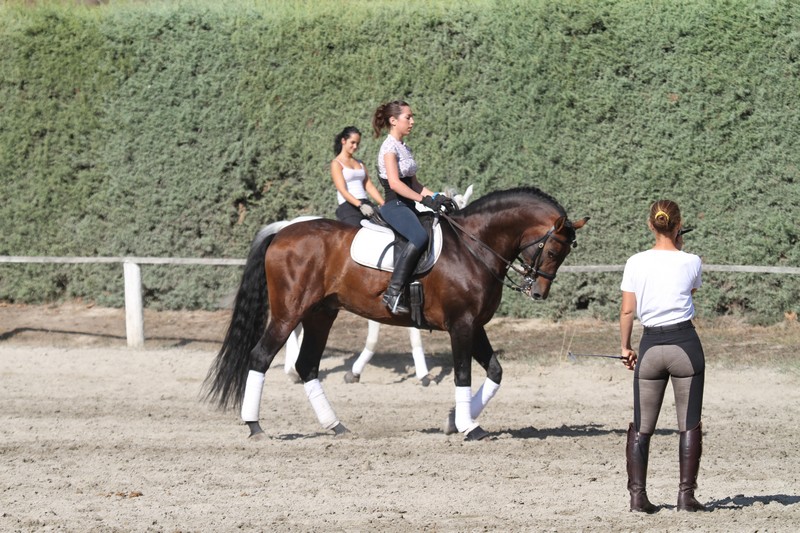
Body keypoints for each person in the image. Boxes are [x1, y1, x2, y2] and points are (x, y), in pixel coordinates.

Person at [619, 199, 707, 513]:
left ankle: (637, 497)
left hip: (651, 346)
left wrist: (626, 347)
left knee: (643, 426)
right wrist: (680, 247)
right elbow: (687, 291)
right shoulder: (692, 260)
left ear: (650, 224)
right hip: (685, 345)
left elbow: (628, 309)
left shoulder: (635, 262)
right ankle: (686, 496)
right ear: (678, 224)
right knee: (688, 424)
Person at [371, 100, 457, 314]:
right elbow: (395, 183)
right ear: (393, 121)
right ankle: (392, 293)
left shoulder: (404, 147)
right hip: (395, 205)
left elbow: (416, 184)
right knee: (419, 237)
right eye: (408, 117)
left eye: (411, 117)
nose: (412, 121)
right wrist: (423, 200)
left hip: (408, 204)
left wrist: (437, 197)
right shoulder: (389, 148)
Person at [331, 126, 384, 226]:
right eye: (352, 142)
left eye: (357, 143)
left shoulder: (360, 163)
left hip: (365, 203)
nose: (355, 146)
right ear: (343, 141)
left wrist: (383, 203)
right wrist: (360, 205)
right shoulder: (336, 163)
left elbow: (369, 186)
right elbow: (342, 190)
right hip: (348, 206)